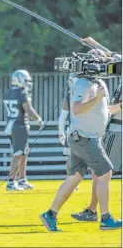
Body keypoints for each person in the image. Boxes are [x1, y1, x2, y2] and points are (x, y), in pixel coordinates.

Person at [40, 54, 122, 231]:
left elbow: (103, 110)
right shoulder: (83, 83)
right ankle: (106, 218)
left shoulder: (97, 83)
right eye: (99, 62)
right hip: (85, 138)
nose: (104, 65)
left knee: (74, 178)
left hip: (86, 137)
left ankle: (50, 214)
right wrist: (98, 98)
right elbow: (77, 108)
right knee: (106, 173)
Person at [70, 80, 122, 222]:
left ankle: (95, 212)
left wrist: (116, 107)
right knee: (99, 173)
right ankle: (92, 210)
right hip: (113, 129)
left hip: (118, 130)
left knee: (101, 173)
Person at [3, 70, 43, 191]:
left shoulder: (8, 93)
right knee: (18, 154)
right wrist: (38, 119)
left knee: (23, 153)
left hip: (10, 125)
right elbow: (29, 110)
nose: (28, 84)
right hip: (20, 125)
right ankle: (11, 182)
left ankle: (22, 180)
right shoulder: (21, 93)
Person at [58, 73, 79, 191]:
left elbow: (62, 117)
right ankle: (72, 181)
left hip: (73, 129)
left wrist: (61, 132)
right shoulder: (90, 91)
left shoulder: (70, 95)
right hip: (82, 129)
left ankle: (72, 180)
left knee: (72, 157)